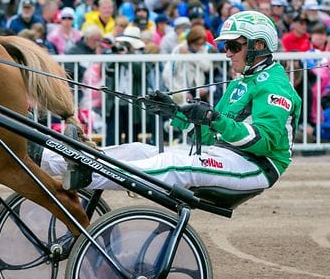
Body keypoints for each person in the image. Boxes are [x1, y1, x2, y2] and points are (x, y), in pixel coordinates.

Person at [45, 10, 301, 194]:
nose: (227, 53)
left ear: (259, 45)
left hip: (256, 166)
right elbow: (209, 137)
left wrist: (214, 118)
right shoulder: (240, 82)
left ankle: (89, 174)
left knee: (175, 165)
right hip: (226, 155)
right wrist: (173, 113)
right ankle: (50, 159)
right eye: (226, 47)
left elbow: (264, 142)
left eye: (234, 46)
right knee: (138, 149)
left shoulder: (274, 86)